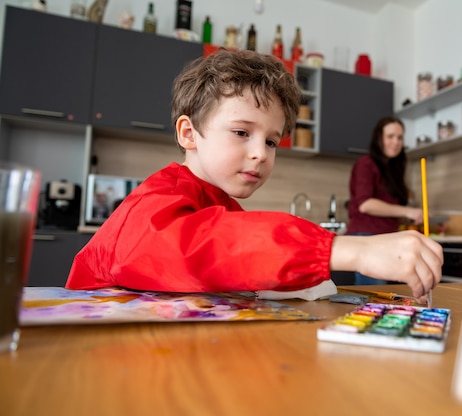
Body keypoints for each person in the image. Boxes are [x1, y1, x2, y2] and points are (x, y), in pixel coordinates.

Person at [66, 49, 442, 298]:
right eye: (242, 132)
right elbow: (203, 248)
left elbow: (245, 263)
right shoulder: (155, 199)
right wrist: (348, 250)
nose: (260, 153)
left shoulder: (222, 205)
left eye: (273, 141)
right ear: (188, 133)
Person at [346, 116, 424, 285]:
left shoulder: (393, 170)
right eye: (390, 136)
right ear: (378, 138)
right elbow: (366, 205)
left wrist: (415, 217)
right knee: (374, 300)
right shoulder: (366, 164)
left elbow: (389, 210)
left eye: (400, 137)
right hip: (368, 240)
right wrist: (408, 211)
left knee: (383, 299)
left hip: (387, 239)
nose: (395, 142)